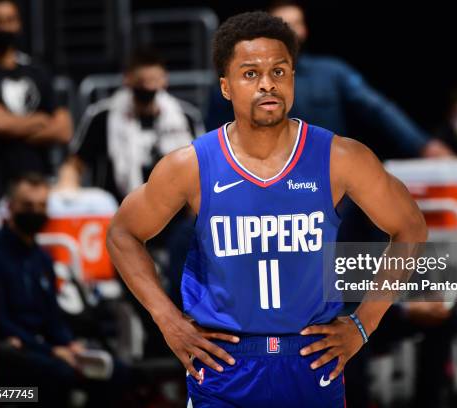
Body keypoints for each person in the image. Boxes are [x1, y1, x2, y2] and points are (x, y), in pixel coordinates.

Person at [107, 11, 427, 407]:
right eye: (250, 73)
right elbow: (122, 234)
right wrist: (167, 320)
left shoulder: (340, 157)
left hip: (311, 361)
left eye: (279, 71)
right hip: (225, 365)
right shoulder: (190, 165)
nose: (266, 84)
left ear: (292, 78)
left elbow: (411, 227)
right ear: (226, 87)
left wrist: (364, 324)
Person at [206, 1, 453, 159]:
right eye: (282, 25)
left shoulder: (332, 72)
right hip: (262, 179)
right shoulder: (241, 78)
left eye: (296, 23)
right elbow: (216, 133)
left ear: (304, 30)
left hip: (327, 177)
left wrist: (423, 145)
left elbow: (378, 108)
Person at [0, 173, 128, 407]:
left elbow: (52, 316)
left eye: (41, 206)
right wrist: (51, 350)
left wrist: (69, 343)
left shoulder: (43, 259)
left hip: (45, 348)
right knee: (59, 375)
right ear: (11, 207)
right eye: (27, 205)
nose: (35, 211)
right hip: (8, 351)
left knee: (117, 372)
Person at [0, 0, 72, 201]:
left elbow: (63, 129)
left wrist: (13, 128)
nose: (3, 27)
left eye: (9, 20)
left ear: (19, 24)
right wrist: (39, 120)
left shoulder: (36, 70)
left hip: (39, 183)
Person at [70, 48, 201, 202]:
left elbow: (201, 168)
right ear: (127, 79)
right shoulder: (103, 116)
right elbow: (75, 165)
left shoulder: (184, 118)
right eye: (141, 82)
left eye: (153, 81)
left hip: (174, 212)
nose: (147, 88)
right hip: (117, 208)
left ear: (164, 80)